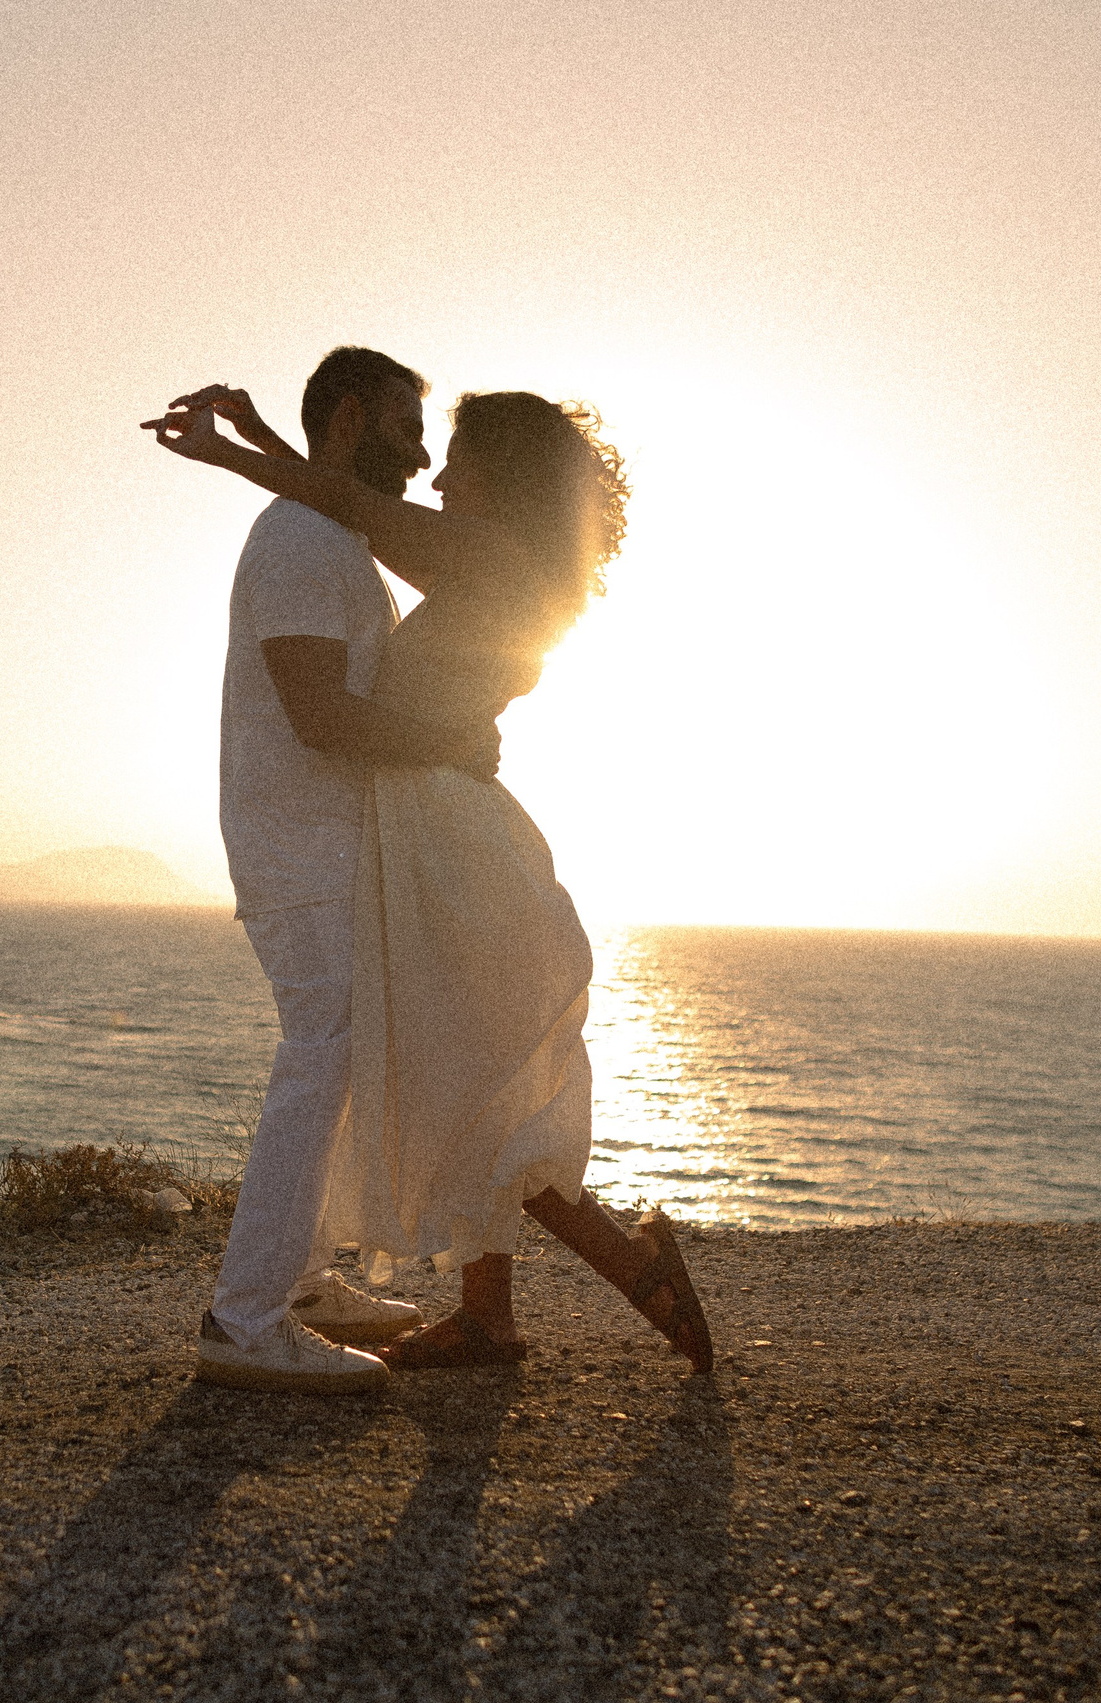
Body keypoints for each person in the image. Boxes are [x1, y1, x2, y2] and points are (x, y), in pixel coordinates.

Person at [146, 368, 714, 1379]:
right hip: (425, 822)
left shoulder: (488, 555)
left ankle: (622, 1269)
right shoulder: (489, 560)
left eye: (455, 457)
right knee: (468, 1076)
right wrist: (264, 435)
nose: (436, 472)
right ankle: (492, 1311)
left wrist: (229, 449)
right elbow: (338, 504)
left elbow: (347, 500)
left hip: (446, 829)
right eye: (424, 444)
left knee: (473, 1078)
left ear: (500, 477)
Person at [180, 348, 504, 1395]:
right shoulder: (300, 540)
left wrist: (260, 443)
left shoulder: (328, 532)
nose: (420, 457)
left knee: (336, 1056)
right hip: (301, 844)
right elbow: (318, 714)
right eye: (410, 429)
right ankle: (244, 1320)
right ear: (356, 416)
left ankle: (304, 1286)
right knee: (321, 1055)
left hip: (325, 844)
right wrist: (448, 740)